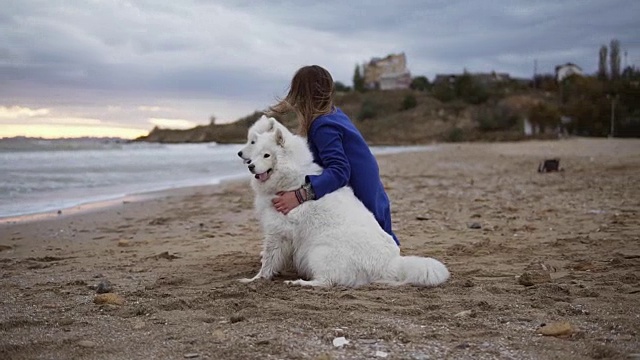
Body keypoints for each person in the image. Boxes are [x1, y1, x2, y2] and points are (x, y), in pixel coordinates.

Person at [266, 65, 400, 246]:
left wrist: (299, 195)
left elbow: (339, 171)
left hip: (367, 218)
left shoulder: (323, 126)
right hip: (376, 205)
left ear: (300, 96)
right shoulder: (335, 115)